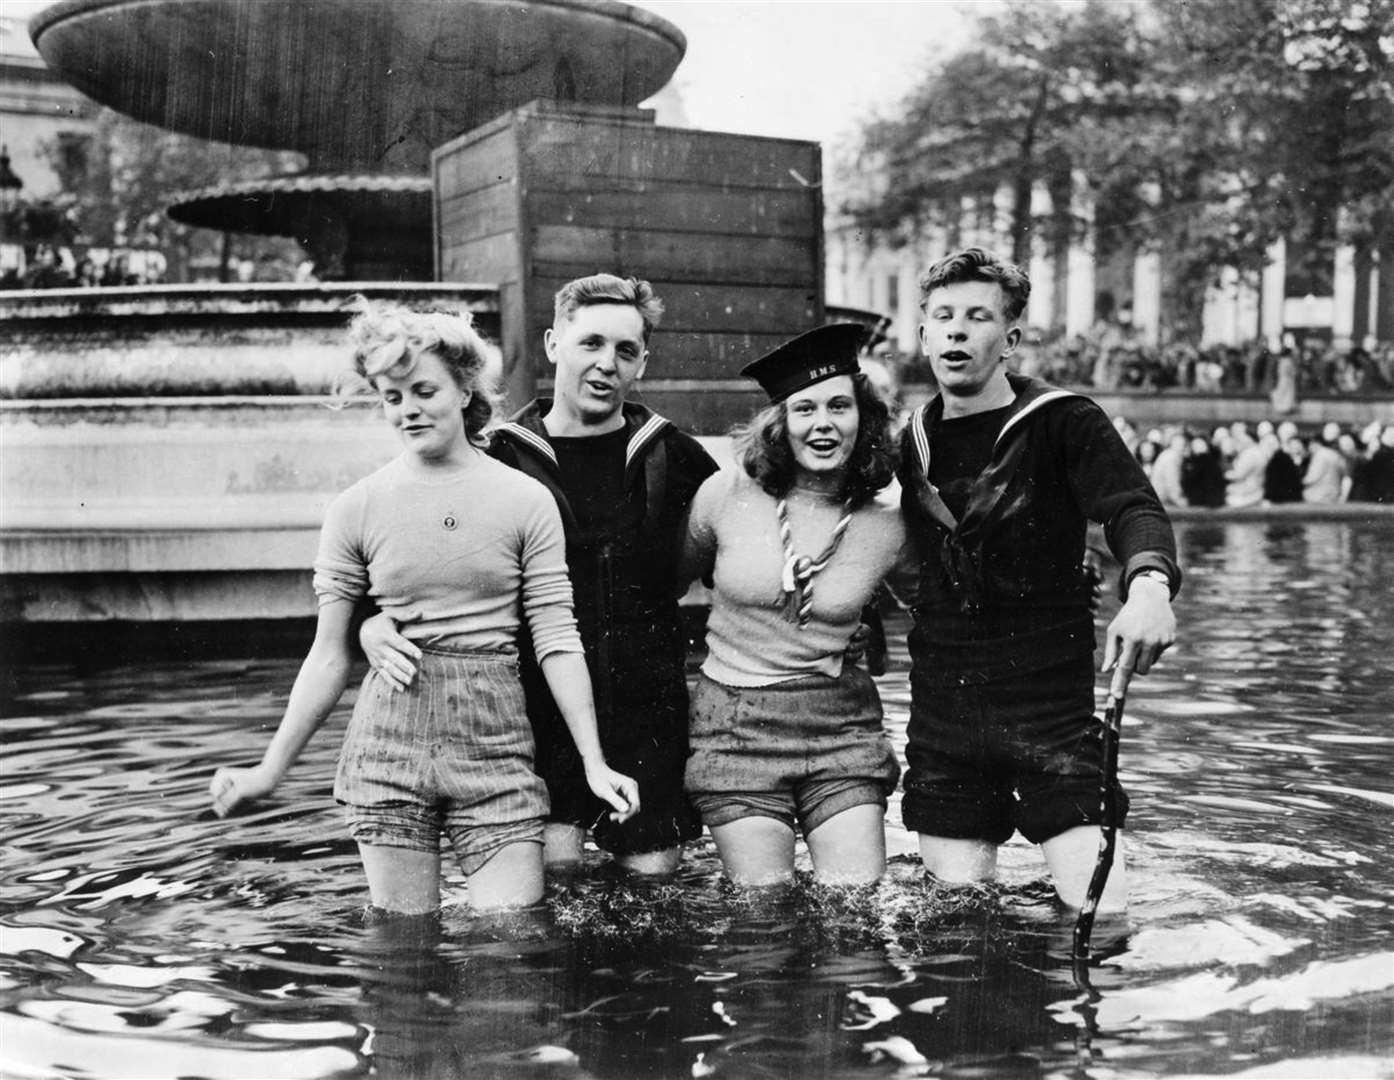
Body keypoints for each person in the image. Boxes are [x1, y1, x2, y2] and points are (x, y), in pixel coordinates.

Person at [209, 300, 638, 914]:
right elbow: (328, 655)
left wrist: (594, 762)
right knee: (403, 951)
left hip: (495, 745)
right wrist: (268, 771)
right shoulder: (355, 508)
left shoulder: (526, 499)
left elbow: (556, 637)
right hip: (389, 745)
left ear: (466, 389)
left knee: (511, 944)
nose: (407, 409)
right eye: (390, 396)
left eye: (424, 390)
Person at [362, 275, 716, 877]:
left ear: (642, 363)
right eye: (591, 344)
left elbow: (745, 546)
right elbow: (407, 555)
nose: (606, 364)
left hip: (647, 711)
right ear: (554, 344)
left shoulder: (672, 456)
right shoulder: (495, 456)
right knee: (554, 883)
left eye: (625, 351)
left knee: (656, 886)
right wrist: (370, 626)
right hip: (531, 714)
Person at [897, 248, 1179, 911]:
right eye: (943, 316)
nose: (958, 330)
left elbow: (1133, 510)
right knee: (954, 929)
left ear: (1011, 339)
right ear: (925, 334)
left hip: (1048, 705)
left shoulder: (1062, 421)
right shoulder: (907, 439)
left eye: (977, 316)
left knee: (1102, 919)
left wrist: (1148, 589)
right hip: (947, 708)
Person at [679, 323, 915, 887]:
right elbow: (662, 587)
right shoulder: (725, 495)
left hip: (840, 726)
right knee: (763, 916)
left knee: (854, 910)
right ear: (780, 423)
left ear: (865, 417)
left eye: (840, 405)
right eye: (805, 409)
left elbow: (936, 609)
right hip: (736, 725)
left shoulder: (890, 519)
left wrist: (871, 632)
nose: (824, 423)